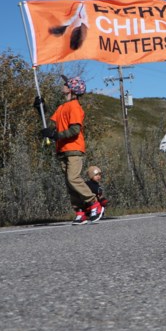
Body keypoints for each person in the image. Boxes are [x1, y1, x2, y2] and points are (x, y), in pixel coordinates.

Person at [37, 75, 103, 225]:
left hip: (73, 148)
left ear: (72, 89)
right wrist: (40, 109)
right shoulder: (61, 107)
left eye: (66, 84)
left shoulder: (74, 107)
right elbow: (51, 126)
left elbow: (74, 130)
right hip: (62, 150)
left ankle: (94, 203)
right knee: (69, 183)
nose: (63, 86)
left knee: (73, 178)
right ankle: (80, 211)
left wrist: (56, 135)